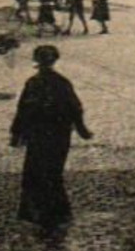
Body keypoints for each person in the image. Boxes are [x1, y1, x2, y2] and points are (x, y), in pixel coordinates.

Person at [9, 45, 93, 231]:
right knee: (53, 173)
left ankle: (37, 213)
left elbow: (23, 110)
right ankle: (57, 212)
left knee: (35, 171)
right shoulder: (62, 82)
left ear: (36, 61)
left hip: (39, 134)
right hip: (58, 134)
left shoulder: (32, 83)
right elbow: (75, 108)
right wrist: (81, 129)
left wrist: (16, 133)